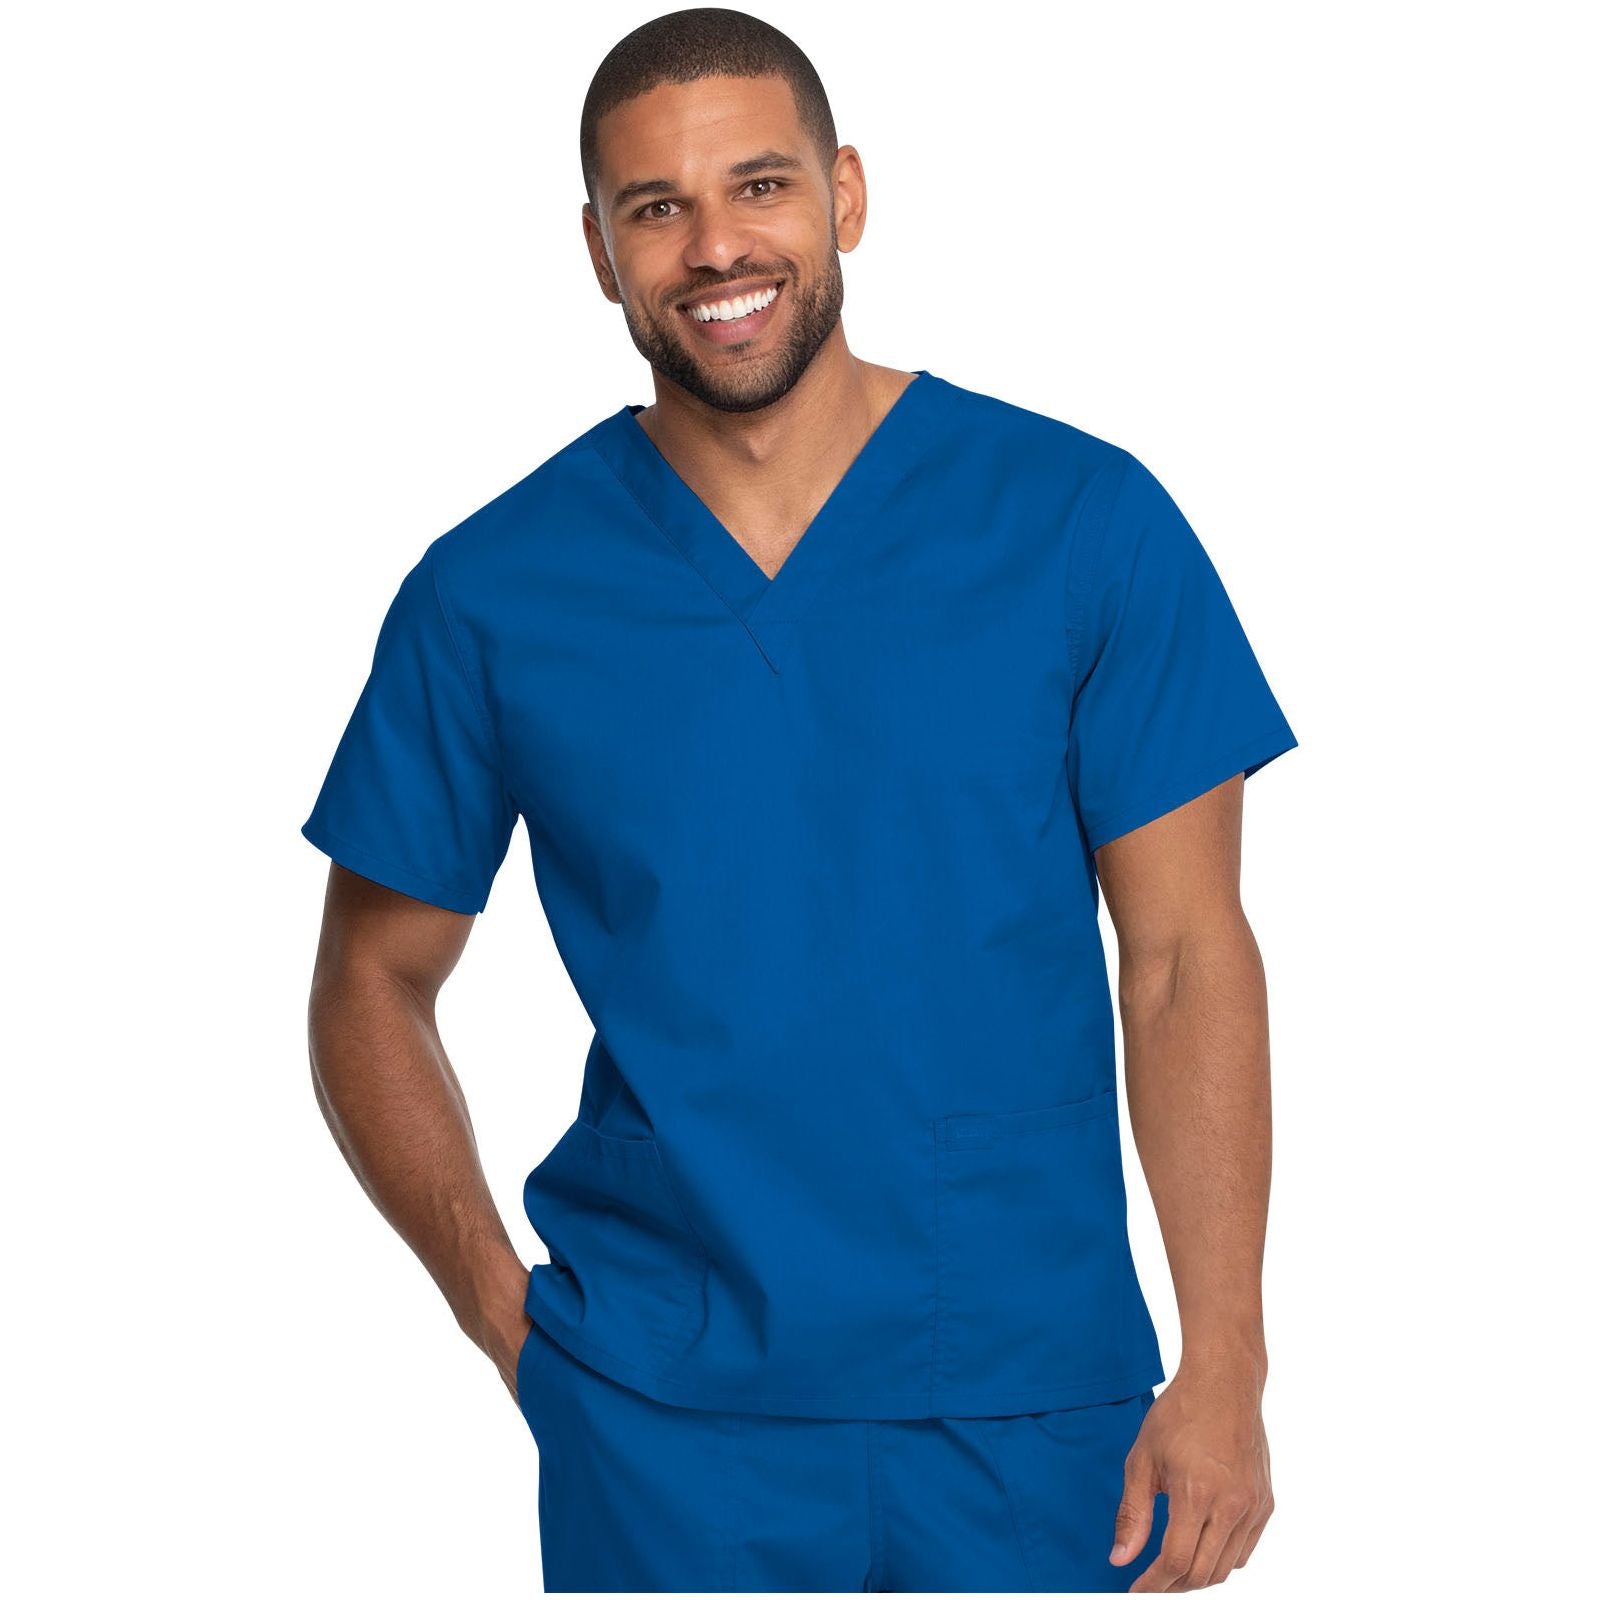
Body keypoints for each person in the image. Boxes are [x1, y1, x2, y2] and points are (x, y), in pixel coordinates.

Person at [301, 8, 1296, 1592]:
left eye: (758, 186)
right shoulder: (493, 593)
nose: (715, 248)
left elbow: (1183, 957)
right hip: (663, 1418)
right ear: (599, 252)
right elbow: (371, 977)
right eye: (656, 208)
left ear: (845, 194)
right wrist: (500, 1309)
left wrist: (1226, 1361)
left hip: (1036, 1410)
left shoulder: (1080, 524)